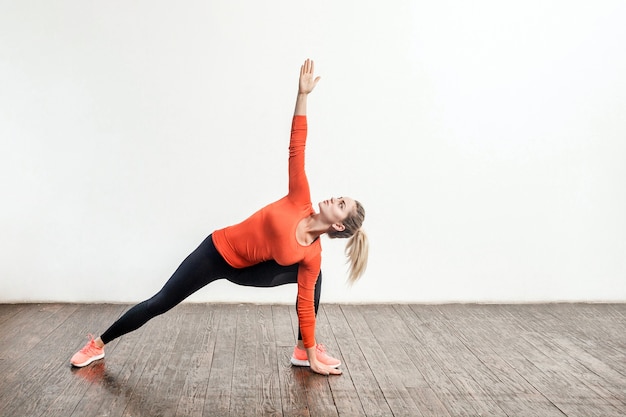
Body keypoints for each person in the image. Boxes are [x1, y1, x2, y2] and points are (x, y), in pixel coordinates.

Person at [70, 59, 368, 376]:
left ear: (338, 224)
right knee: (160, 301)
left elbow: (306, 307)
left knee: (313, 277)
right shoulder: (300, 197)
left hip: (246, 271)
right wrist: (302, 94)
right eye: (338, 197)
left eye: (339, 203)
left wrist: (312, 356)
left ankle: (302, 351)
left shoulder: (312, 254)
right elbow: (297, 144)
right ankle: (98, 345)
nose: (333, 198)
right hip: (215, 252)